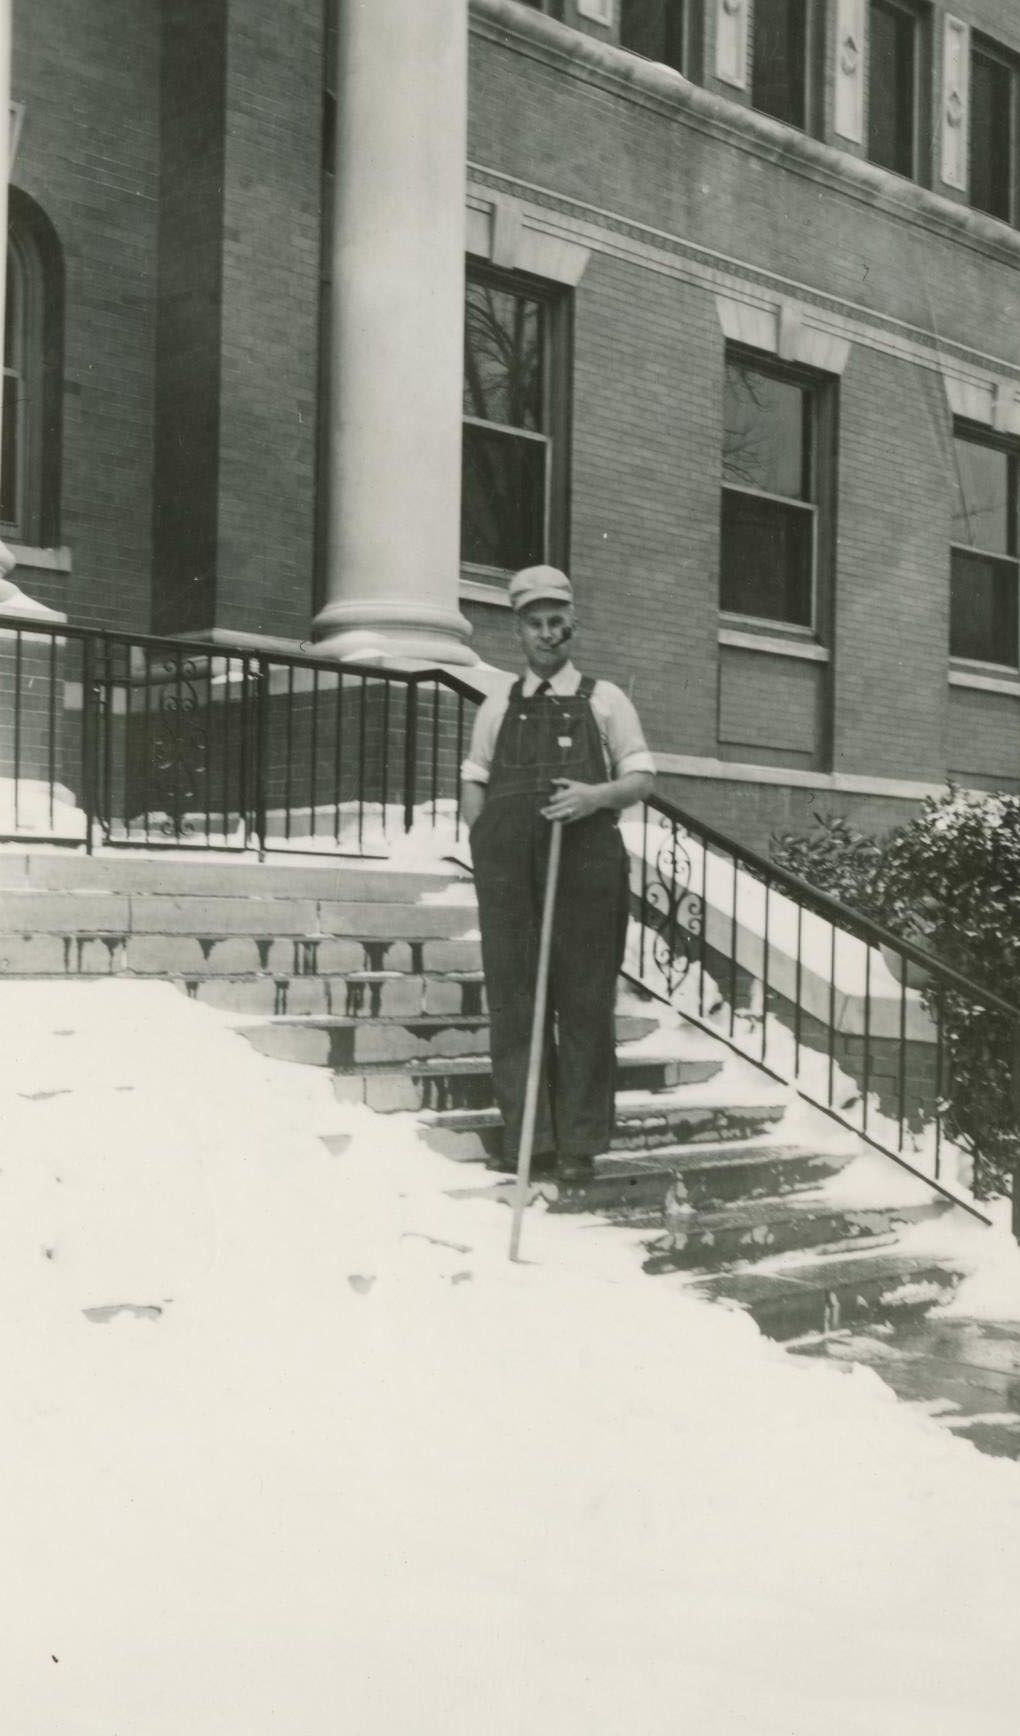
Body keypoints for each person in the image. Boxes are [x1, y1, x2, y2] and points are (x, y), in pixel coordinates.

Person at [461, 565, 655, 1182]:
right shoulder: (498, 704)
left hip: (586, 868)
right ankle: (530, 1142)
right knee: (516, 1003)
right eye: (534, 624)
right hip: (512, 873)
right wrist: (486, 839)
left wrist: (595, 798)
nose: (547, 635)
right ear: (518, 630)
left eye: (556, 623)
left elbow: (641, 779)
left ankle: (577, 1145)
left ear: (572, 625)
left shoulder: (605, 699)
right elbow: (475, 778)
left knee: (583, 1002)